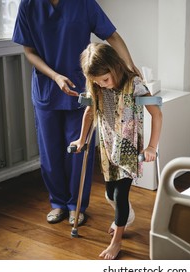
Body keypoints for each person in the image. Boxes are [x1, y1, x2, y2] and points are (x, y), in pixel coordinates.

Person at [12, 0, 140, 226]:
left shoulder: (83, 3)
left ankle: (76, 205)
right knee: (50, 152)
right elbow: (29, 51)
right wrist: (55, 76)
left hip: (81, 88)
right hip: (47, 87)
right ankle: (58, 203)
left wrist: (130, 66)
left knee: (79, 150)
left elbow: (112, 36)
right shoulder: (29, 5)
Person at [70, 42, 162, 260]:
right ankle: (126, 215)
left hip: (129, 148)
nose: (102, 85)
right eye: (96, 82)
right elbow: (89, 113)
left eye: (105, 80)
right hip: (107, 146)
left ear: (114, 67)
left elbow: (157, 114)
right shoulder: (97, 87)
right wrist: (81, 140)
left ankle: (116, 242)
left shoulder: (135, 84)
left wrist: (151, 147)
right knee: (110, 193)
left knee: (120, 195)